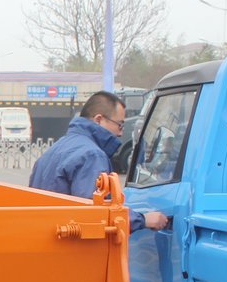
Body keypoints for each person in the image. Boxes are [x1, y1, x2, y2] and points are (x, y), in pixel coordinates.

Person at [29, 91, 168, 232]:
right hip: (69, 242)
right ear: (99, 120)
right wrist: (142, 220)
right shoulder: (91, 156)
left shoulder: (55, 149)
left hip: (45, 236)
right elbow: (95, 214)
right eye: (120, 125)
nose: (120, 133)